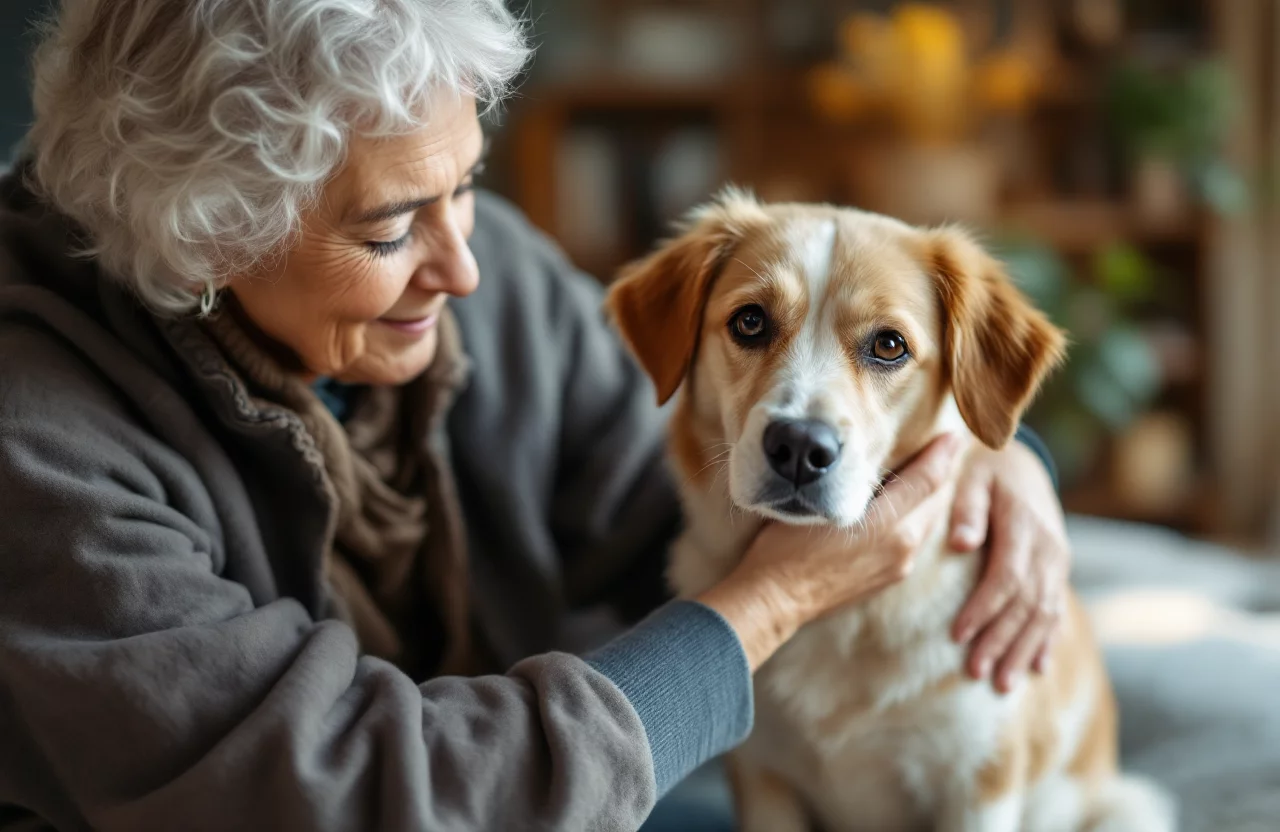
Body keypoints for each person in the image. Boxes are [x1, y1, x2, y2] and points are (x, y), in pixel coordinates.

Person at [0, 1, 1070, 829]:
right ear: (207, 237)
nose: (464, 265)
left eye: (464, 184)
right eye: (387, 232)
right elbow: (337, 800)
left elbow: (682, 495)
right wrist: (763, 608)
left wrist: (994, 451)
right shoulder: (43, 448)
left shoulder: (491, 283)